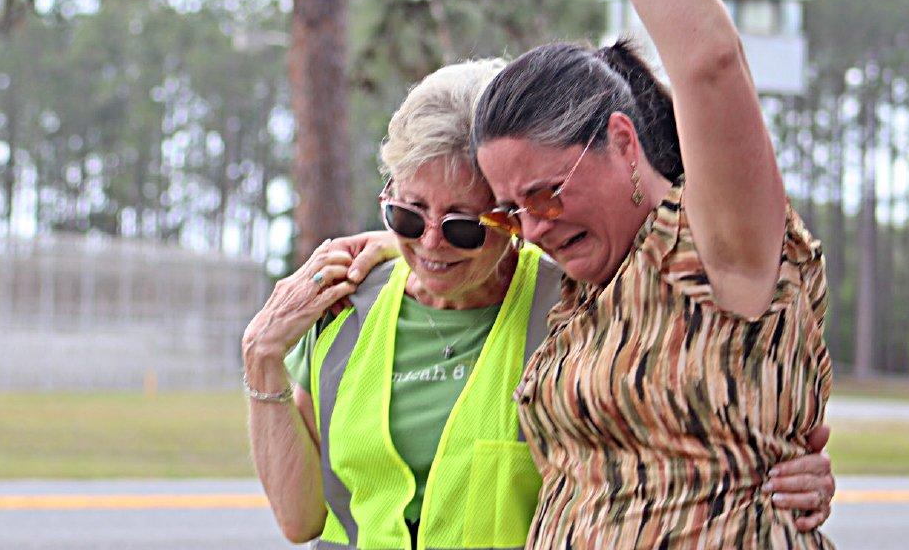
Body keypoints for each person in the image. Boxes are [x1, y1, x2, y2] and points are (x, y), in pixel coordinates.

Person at [466, 0, 835, 547]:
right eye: (509, 209)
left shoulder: (714, 253)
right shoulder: (582, 295)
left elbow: (709, 63)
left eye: (545, 193)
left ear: (622, 141)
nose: (530, 227)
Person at [241, 62, 833, 550]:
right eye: (406, 215)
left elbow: (677, 435)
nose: (430, 244)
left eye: (464, 226)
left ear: (512, 218)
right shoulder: (346, 309)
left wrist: (773, 476)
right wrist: (262, 357)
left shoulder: (577, 306)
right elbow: (301, 521)